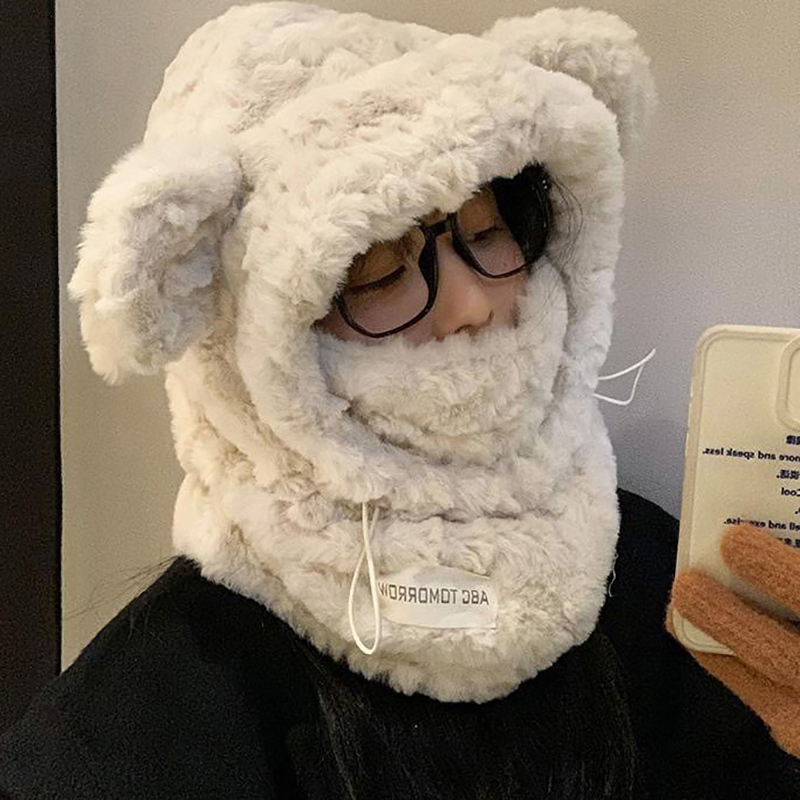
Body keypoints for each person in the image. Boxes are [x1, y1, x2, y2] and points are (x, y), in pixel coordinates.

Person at [2, 3, 799, 798]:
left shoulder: (669, 585)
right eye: (380, 273)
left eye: (487, 234)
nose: (474, 305)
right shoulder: (149, 720)